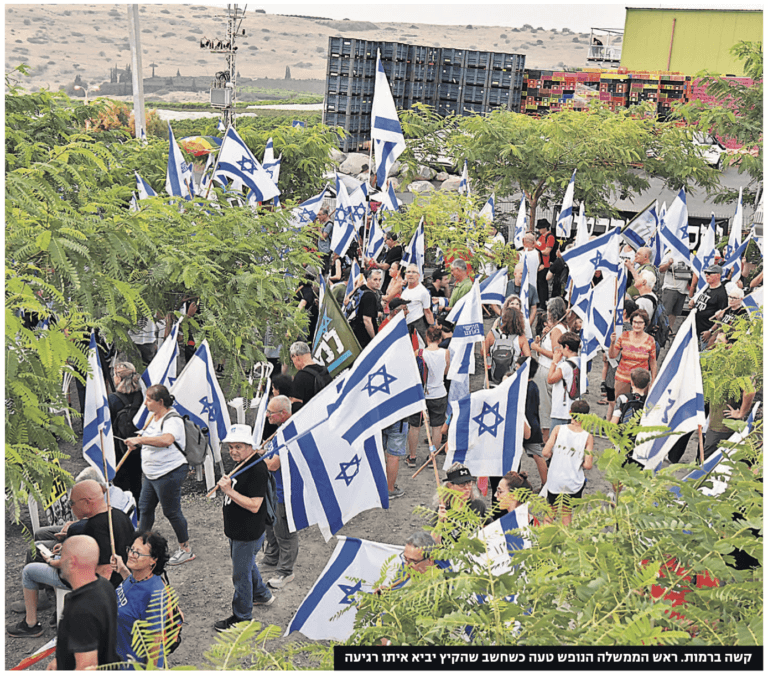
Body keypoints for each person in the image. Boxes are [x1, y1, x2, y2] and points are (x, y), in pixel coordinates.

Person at [8, 480, 133, 639]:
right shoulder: (119, 515)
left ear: (87, 502)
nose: (70, 508)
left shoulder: (93, 527)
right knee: (41, 548)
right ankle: (52, 609)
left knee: (29, 571)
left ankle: (31, 624)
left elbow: (92, 568)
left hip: (94, 583)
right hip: (120, 580)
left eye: (72, 503)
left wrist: (53, 561)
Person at [125, 385, 194, 567]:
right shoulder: (153, 416)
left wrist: (140, 440)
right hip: (151, 473)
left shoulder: (172, 419)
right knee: (145, 507)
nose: (145, 403)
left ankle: (185, 549)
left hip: (168, 472)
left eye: (149, 399)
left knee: (171, 511)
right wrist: (138, 440)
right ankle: (140, 546)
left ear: (160, 402)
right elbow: (151, 436)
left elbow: (166, 440)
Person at [214, 424, 274, 632]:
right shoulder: (242, 463)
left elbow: (255, 504)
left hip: (247, 532)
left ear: (250, 446)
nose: (233, 451)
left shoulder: (257, 468)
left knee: (240, 574)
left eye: (238, 446)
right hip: (237, 530)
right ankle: (262, 595)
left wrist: (228, 491)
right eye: (231, 447)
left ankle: (242, 617)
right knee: (247, 565)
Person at [44, 536, 119, 670]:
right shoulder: (104, 585)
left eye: (62, 557)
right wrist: (61, 661)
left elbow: (87, 666)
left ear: (72, 562)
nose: (60, 562)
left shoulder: (81, 609)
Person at [110, 530, 172, 668]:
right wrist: (122, 570)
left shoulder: (155, 594)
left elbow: (155, 645)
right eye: (131, 549)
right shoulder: (136, 576)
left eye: (137, 553)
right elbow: (134, 594)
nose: (131, 554)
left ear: (153, 560)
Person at [259, 397, 299, 590]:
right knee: (271, 527)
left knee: (284, 532)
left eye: (270, 412)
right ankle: (271, 558)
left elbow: (274, 464)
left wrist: (253, 462)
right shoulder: (281, 431)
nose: (267, 415)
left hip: (284, 491)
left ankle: (286, 571)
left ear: (283, 414)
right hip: (273, 488)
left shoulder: (288, 432)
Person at [542, 400, 594, 526]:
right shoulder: (587, 437)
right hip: (572, 482)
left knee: (550, 512)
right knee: (566, 514)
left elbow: (545, 452)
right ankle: (566, 543)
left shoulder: (558, 429)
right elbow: (588, 465)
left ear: (570, 413)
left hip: (556, 480)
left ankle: (543, 539)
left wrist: (553, 455)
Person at [405, 326, 449, 468]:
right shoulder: (445, 352)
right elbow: (446, 371)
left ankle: (412, 457)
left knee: (415, 426)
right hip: (439, 393)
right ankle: (432, 457)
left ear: (427, 338)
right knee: (436, 427)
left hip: (421, 394)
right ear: (440, 339)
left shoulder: (419, 353)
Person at [530, 297, 568, 441]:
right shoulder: (558, 328)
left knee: (545, 407)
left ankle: (546, 440)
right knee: (545, 405)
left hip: (547, 370)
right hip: (546, 368)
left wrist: (537, 348)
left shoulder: (557, 330)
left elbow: (557, 354)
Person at [109, 361, 144, 506]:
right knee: (137, 482)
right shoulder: (143, 396)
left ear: (118, 377)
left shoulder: (112, 400)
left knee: (120, 486)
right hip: (139, 445)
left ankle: (125, 518)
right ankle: (140, 517)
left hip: (119, 447)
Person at [608, 309, 657, 399]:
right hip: (622, 377)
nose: (636, 325)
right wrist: (612, 343)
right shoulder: (624, 335)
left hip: (641, 381)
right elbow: (612, 355)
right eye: (634, 322)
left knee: (638, 407)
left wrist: (653, 380)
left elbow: (653, 362)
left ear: (645, 324)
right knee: (620, 405)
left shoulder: (650, 340)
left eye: (640, 322)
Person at [432, 464, 487, 543]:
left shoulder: (479, 505)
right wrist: (440, 522)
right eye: (462, 485)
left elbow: (490, 530)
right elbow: (433, 544)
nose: (467, 488)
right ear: (449, 486)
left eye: (469, 483)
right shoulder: (443, 510)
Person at [484, 305, 530, 384]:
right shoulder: (521, 338)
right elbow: (528, 359)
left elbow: (483, 353)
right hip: (511, 378)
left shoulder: (492, 334)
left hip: (493, 377)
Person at [547, 331, 581, 429]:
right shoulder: (581, 361)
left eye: (561, 347)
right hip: (574, 405)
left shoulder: (565, 366)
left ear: (566, 347)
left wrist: (554, 362)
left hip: (562, 409)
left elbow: (550, 379)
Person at [521, 358, 547, 487]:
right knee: (537, 455)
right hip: (533, 424)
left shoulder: (524, 388)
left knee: (537, 455)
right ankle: (545, 485)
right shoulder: (533, 386)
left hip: (527, 426)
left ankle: (546, 484)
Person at [689, 264, 728, 343]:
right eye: (706, 273)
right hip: (695, 328)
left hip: (706, 332)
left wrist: (710, 331)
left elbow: (721, 317)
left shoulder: (721, 294)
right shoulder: (706, 287)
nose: (707, 275)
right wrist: (693, 303)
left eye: (709, 273)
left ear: (718, 275)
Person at [288, 341, 331, 412]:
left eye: (292, 360)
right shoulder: (324, 370)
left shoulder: (300, 376)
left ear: (296, 357)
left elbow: (296, 405)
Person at [658, 251, 692, 333]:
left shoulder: (690, 256)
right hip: (670, 288)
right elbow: (661, 269)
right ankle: (661, 330)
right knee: (666, 312)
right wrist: (668, 264)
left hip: (683, 290)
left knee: (675, 313)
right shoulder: (670, 255)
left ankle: (669, 330)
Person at [348, 269, 383, 349]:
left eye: (379, 280)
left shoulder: (360, 289)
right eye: (375, 279)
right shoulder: (370, 296)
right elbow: (367, 321)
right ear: (368, 279)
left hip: (352, 330)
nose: (378, 282)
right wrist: (374, 339)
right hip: (362, 336)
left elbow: (347, 301)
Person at [400, 263, 434, 341]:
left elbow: (427, 311)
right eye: (408, 272)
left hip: (418, 326)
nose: (411, 274)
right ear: (405, 275)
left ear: (418, 275)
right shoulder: (405, 290)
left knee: (420, 350)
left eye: (413, 272)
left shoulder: (423, 292)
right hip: (405, 325)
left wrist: (432, 329)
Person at [382, 418, 409, 499]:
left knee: (376, 452)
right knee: (393, 456)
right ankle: (390, 489)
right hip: (399, 418)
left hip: (377, 417)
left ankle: (374, 487)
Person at [505, 261, 539, 326]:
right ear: (515, 274)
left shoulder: (532, 289)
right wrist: (503, 316)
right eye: (522, 273)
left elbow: (534, 309)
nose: (524, 276)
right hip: (507, 324)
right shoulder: (506, 286)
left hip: (524, 323)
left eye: (527, 274)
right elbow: (494, 304)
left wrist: (528, 324)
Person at [535, 219, 555, 305]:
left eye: (540, 228)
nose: (539, 230)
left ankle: (543, 302)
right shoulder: (540, 236)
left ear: (545, 228)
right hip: (540, 262)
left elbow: (547, 251)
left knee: (542, 283)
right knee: (539, 283)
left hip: (546, 263)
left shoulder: (550, 237)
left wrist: (538, 252)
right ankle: (540, 300)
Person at [295, 276, 319, 343]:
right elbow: (300, 306)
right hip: (301, 322)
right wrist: (295, 324)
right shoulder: (308, 291)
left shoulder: (300, 289)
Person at [314, 207, 333, 275]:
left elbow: (323, 237)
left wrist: (319, 228)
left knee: (325, 267)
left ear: (325, 215)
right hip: (321, 249)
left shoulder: (329, 224)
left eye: (320, 215)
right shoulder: (324, 223)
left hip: (326, 250)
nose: (318, 217)